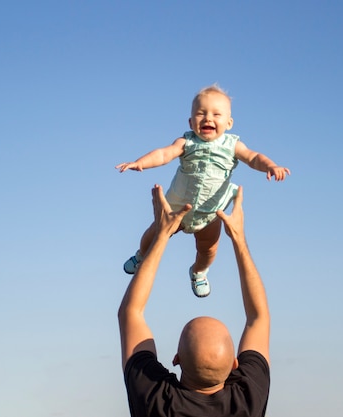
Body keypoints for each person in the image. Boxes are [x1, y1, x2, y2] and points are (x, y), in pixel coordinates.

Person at [116, 84, 290, 297]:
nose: (208, 118)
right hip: (177, 207)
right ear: (191, 122)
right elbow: (164, 154)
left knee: (208, 249)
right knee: (154, 234)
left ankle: (199, 271)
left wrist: (270, 166)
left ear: (229, 123)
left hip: (210, 212)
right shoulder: (186, 141)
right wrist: (140, 162)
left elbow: (254, 158)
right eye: (201, 113)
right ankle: (141, 255)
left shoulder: (232, 145)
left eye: (216, 114)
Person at [118, 184, 270, 417]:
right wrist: (238, 238)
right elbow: (258, 318)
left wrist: (161, 235)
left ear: (176, 359)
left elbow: (131, 313)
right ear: (234, 364)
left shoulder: (155, 400)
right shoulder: (248, 400)